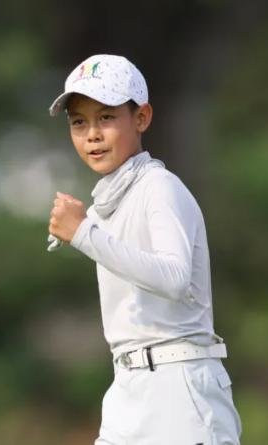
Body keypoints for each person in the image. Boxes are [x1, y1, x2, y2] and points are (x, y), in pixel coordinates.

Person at [46, 54, 241, 445]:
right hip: (127, 391)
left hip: (180, 390)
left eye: (106, 117)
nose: (92, 135)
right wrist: (87, 229)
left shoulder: (159, 187)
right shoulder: (107, 203)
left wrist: (83, 233)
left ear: (142, 118)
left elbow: (174, 278)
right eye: (79, 122)